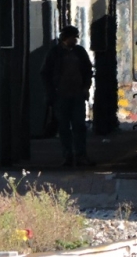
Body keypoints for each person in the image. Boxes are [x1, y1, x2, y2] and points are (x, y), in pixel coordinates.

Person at [41, 25, 95, 167]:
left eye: (76, 37)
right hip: (61, 96)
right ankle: (69, 155)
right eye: (73, 37)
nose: (75, 40)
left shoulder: (79, 52)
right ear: (65, 38)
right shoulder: (55, 53)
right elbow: (45, 73)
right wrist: (52, 93)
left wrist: (85, 88)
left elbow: (88, 71)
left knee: (79, 125)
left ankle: (80, 155)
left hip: (77, 95)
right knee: (64, 127)